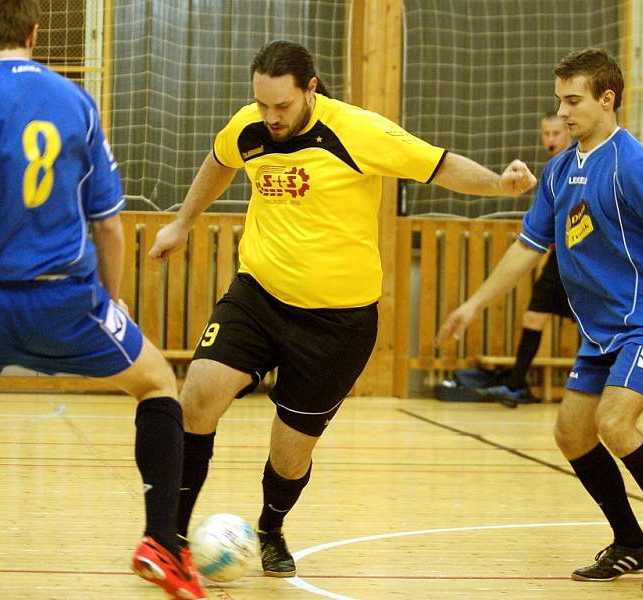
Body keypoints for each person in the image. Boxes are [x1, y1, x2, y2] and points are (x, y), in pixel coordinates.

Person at [148, 40, 537, 578]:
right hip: (258, 294)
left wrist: (499, 184)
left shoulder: (359, 132)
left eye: (282, 106)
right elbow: (219, 162)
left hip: (338, 320)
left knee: (290, 451)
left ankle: (271, 529)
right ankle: (171, 536)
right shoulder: (249, 128)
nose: (271, 117)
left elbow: (439, 165)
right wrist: (182, 222)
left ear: (311, 88)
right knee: (198, 396)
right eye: (262, 105)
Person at [0, 2, 204, 599]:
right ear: (36, 34)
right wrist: (108, 306)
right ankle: (163, 543)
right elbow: (109, 225)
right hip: (66, 303)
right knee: (159, 384)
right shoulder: (76, 101)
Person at [436, 47, 643, 592]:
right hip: (600, 330)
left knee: (614, 423)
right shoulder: (560, 170)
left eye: (573, 100)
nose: (562, 112)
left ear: (607, 100)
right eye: (559, 100)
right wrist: (474, 304)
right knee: (571, 434)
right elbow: (525, 248)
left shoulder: (634, 165)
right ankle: (631, 542)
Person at [476, 111, 574, 405]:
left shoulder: (590, 161)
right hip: (558, 259)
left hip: (586, 262)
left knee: (593, 324)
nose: (550, 139)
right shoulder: (554, 169)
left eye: (556, 133)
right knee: (533, 316)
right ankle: (516, 385)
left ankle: (608, 387)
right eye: (546, 134)